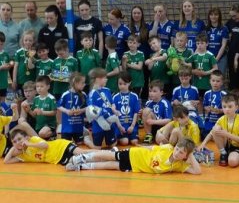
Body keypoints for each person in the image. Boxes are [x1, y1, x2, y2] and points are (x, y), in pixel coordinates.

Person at [65, 137, 201, 175]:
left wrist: (191, 155)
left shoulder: (178, 165)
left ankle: (81, 167)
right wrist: (140, 147)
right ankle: (81, 158)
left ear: (185, 156)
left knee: (110, 165)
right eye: (177, 149)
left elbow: (197, 171)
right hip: (135, 154)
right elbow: (152, 148)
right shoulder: (168, 148)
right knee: (110, 155)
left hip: (135, 167)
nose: (177, 153)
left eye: (181, 153)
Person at [201, 93, 239, 167]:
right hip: (225, 145)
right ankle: (223, 153)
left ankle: (236, 155)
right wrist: (203, 143)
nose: (227, 109)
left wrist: (227, 134)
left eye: (230, 106)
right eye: (224, 107)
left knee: (232, 162)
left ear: (236, 107)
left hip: (238, 146)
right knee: (215, 129)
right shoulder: (221, 119)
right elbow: (211, 133)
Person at [4, 128, 95, 165]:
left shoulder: (33, 140)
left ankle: (104, 152)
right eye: (14, 141)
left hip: (61, 146)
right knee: (84, 160)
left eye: (19, 139)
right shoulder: (23, 156)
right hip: (57, 158)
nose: (18, 142)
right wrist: (13, 148)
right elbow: (6, 161)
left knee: (82, 152)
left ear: (26, 137)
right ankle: (103, 156)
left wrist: (29, 144)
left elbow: (45, 145)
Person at [87, 68, 118, 149]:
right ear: (97, 79)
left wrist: (114, 110)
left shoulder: (107, 90)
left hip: (110, 123)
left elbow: (112, 103)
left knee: (113, 145)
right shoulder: (92, 93)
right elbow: (92, 110)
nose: (106, 79)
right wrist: (103, 115)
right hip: (98, 124)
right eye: (104, 78)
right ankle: (87, 140)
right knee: (97, 148)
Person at [57, 72, 87, 144]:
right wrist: (66, 111)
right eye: (82, 83)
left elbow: (88, 107)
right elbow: (58, 106)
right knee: (66, 145)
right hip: (67, 128)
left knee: (80, 143)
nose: (85, 84)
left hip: (78, 126)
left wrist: (81, 110)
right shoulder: (66, 94)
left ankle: (85, 131)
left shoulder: (83, 94)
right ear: (75, 83)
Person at [113, 72, 140, 146]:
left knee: (134, 142)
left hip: (131, 125)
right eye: (120, 84)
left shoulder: (134, 96)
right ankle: (117, 137)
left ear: (129, 83)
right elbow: (114, 114)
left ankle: (131, 135)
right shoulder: (115, 97)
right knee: (125, 142)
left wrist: (132, 126)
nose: (122, 86)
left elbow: (136, 112)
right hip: (120, 125)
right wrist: (120, 127)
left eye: (125, 84)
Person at [187, 33, 218, 99]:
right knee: (197, 101)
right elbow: (187, 67)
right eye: (198, 43)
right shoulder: (194, 56)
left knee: (206, 101)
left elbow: (215, 68)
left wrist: (205, 73)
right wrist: (194, 71)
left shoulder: (210, 55)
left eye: (202, 43)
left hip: (207, 85)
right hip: (196, 84)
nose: (199, 45)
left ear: (207, 44)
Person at [142, 80, 172, 144]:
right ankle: (149, 135)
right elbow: (146, 119)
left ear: (161, 93)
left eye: (154, 91)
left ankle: (160, 137)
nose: (151, 93)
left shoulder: (165, 103)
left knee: (160, 141)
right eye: (150, 91)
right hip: (152, 128)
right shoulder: (148, 103)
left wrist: (153, 121)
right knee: (146, 110)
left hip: (162, 128)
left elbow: (169, 120)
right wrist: (141, 114)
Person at [30, 75, 57, 140]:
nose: (39, 88)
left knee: (42, 134)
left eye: (41, 86)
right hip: (38, 125)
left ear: (48, 87)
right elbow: (34, 115)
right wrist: (28, 110)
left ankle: (54, 133)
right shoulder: (36, 99)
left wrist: (42, 112)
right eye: (37, 86)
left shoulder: (51, 98)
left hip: (49, 125)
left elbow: (54, 112)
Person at [202, 70, 227, 138]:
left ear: (222, 83)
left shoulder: (224, 94)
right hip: (210, 119)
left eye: (218, 81)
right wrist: (207, 108)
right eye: (213, 81)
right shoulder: (207, 93)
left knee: (219, 133)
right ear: (210, 81)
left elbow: (227, 108)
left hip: (220, 120)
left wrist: (220, 110)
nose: (215, 83)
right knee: (203, 134)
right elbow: (205, 106)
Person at [12, 30, 37, 97]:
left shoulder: (35, 52)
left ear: (33, 41)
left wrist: (31, 57)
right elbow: (15, 67)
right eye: (26, 40)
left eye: (30, 40)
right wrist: (14, 80)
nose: (28, 42)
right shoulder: (18, 52)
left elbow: (33, 66)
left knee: (31, 98)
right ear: (22, 40)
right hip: (21, 80)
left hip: (31, 80)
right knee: (20, 98)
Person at [206, 7, 229, 77]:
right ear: (209, 16)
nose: (213, 16)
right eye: (211, 14)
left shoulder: (224, 28)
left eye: (216, 14)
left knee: (220, 78)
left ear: (219, 16)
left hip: (221, 58)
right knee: (209, 78)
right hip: (209, 57)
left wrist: (216, 60)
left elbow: (223, 45)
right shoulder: (206, 29)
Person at [0, 32, 12, 102]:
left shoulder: (6, 55)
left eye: (1, 44)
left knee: (2, 103)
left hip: (4, 84)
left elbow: (8, 68)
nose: (0, 46)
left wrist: (9, 65)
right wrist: (1, 67)